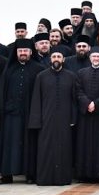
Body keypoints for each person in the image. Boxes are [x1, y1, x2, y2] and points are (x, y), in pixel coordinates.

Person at [0, 40, 42, 184]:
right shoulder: (9, 69)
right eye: (20, 51)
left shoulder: (38, 69)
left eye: (25, 51)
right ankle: (7, 175)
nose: (23, 53)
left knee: (30, 144)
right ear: (16, 53)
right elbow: (1, 92)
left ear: (30, 52)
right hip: (11, 114)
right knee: (9, 145)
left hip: (30, 114)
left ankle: (30, 175)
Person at [28, 51, 77, 186]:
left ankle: (63, 179)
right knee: (45, 147)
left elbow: (74, 100)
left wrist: (73, 117)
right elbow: (36, 99)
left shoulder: (71, 76)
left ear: (63, 59)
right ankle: (45, 178)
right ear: (50, 59)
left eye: (59, 57)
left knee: (64, 148)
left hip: (65, 118)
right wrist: (36, 120)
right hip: (46, 119)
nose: (56, 59)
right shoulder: (41, 76)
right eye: (54, 57)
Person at [75, 48, 99, 182]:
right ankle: (84, 174)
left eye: (98, 56)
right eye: (94, 56)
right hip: (85, 114)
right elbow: (78, 90)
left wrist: (96, 103)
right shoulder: (81, 72)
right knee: (84, 144)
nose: (96, 58)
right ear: (90, 58)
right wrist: (87, 103)